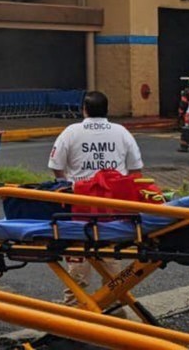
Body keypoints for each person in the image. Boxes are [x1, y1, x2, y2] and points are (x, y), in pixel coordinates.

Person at [47, 90, 144, 307]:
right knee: (111, 265)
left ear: (84, 109)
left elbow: (56, 167)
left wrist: (72, 184)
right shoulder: (121, 132)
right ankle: (115, 312)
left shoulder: (71, 132)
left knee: (78, 265)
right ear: (107, 110)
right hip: (112, 209)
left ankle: (74, 317)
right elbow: (136, 170)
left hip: (79, 207)